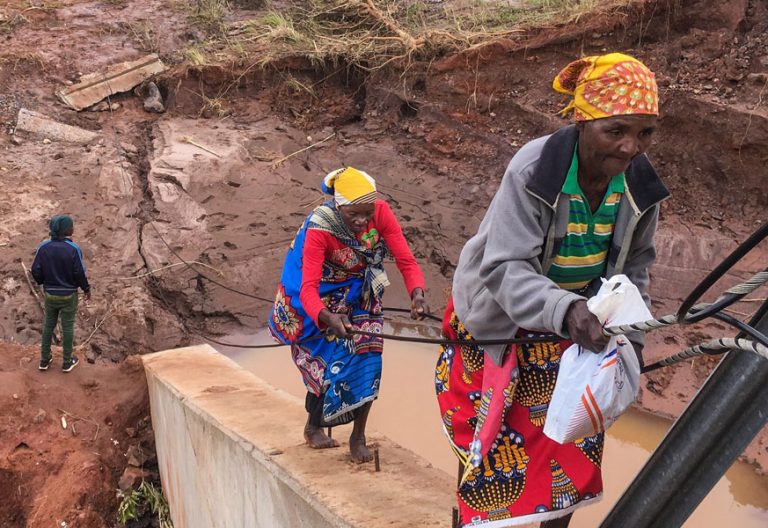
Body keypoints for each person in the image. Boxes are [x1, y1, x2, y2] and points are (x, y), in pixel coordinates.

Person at [435, 53, 669, 527]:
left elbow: (635, 270)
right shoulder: (534, 170)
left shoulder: (639, 186)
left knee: (571, 447)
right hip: (502, 320)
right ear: (583, 121)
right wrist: (567, 309)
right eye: (616, 130)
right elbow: (505, 266)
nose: (630, 147)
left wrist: (632, 342)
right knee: (487, 450)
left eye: (645, 133)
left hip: (575, 331)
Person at [269, 166, 430, 463]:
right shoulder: (321, 227)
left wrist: (417, 294)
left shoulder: (381, 212)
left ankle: (358, 437)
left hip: (362, 289)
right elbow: (308, 287)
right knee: (330, 361)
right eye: (353, 214)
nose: (362, 221)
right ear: (338, 206)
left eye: (367, 214)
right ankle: (313, 425)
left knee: (369, 358)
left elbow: (406, 260)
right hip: (323, 294)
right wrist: (328, 317)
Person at [31, 215, 91, 373]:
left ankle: (44, 360)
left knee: (48, 325)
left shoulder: (43, 247)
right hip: (69, 295)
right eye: (71, 226)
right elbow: (79, 273)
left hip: (50, 294)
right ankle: (67, 362)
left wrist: (43, 282)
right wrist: (86, 288)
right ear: (66, 230)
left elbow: (35, 269)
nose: (73, 228)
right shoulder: (73, 249)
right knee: (68, 327)